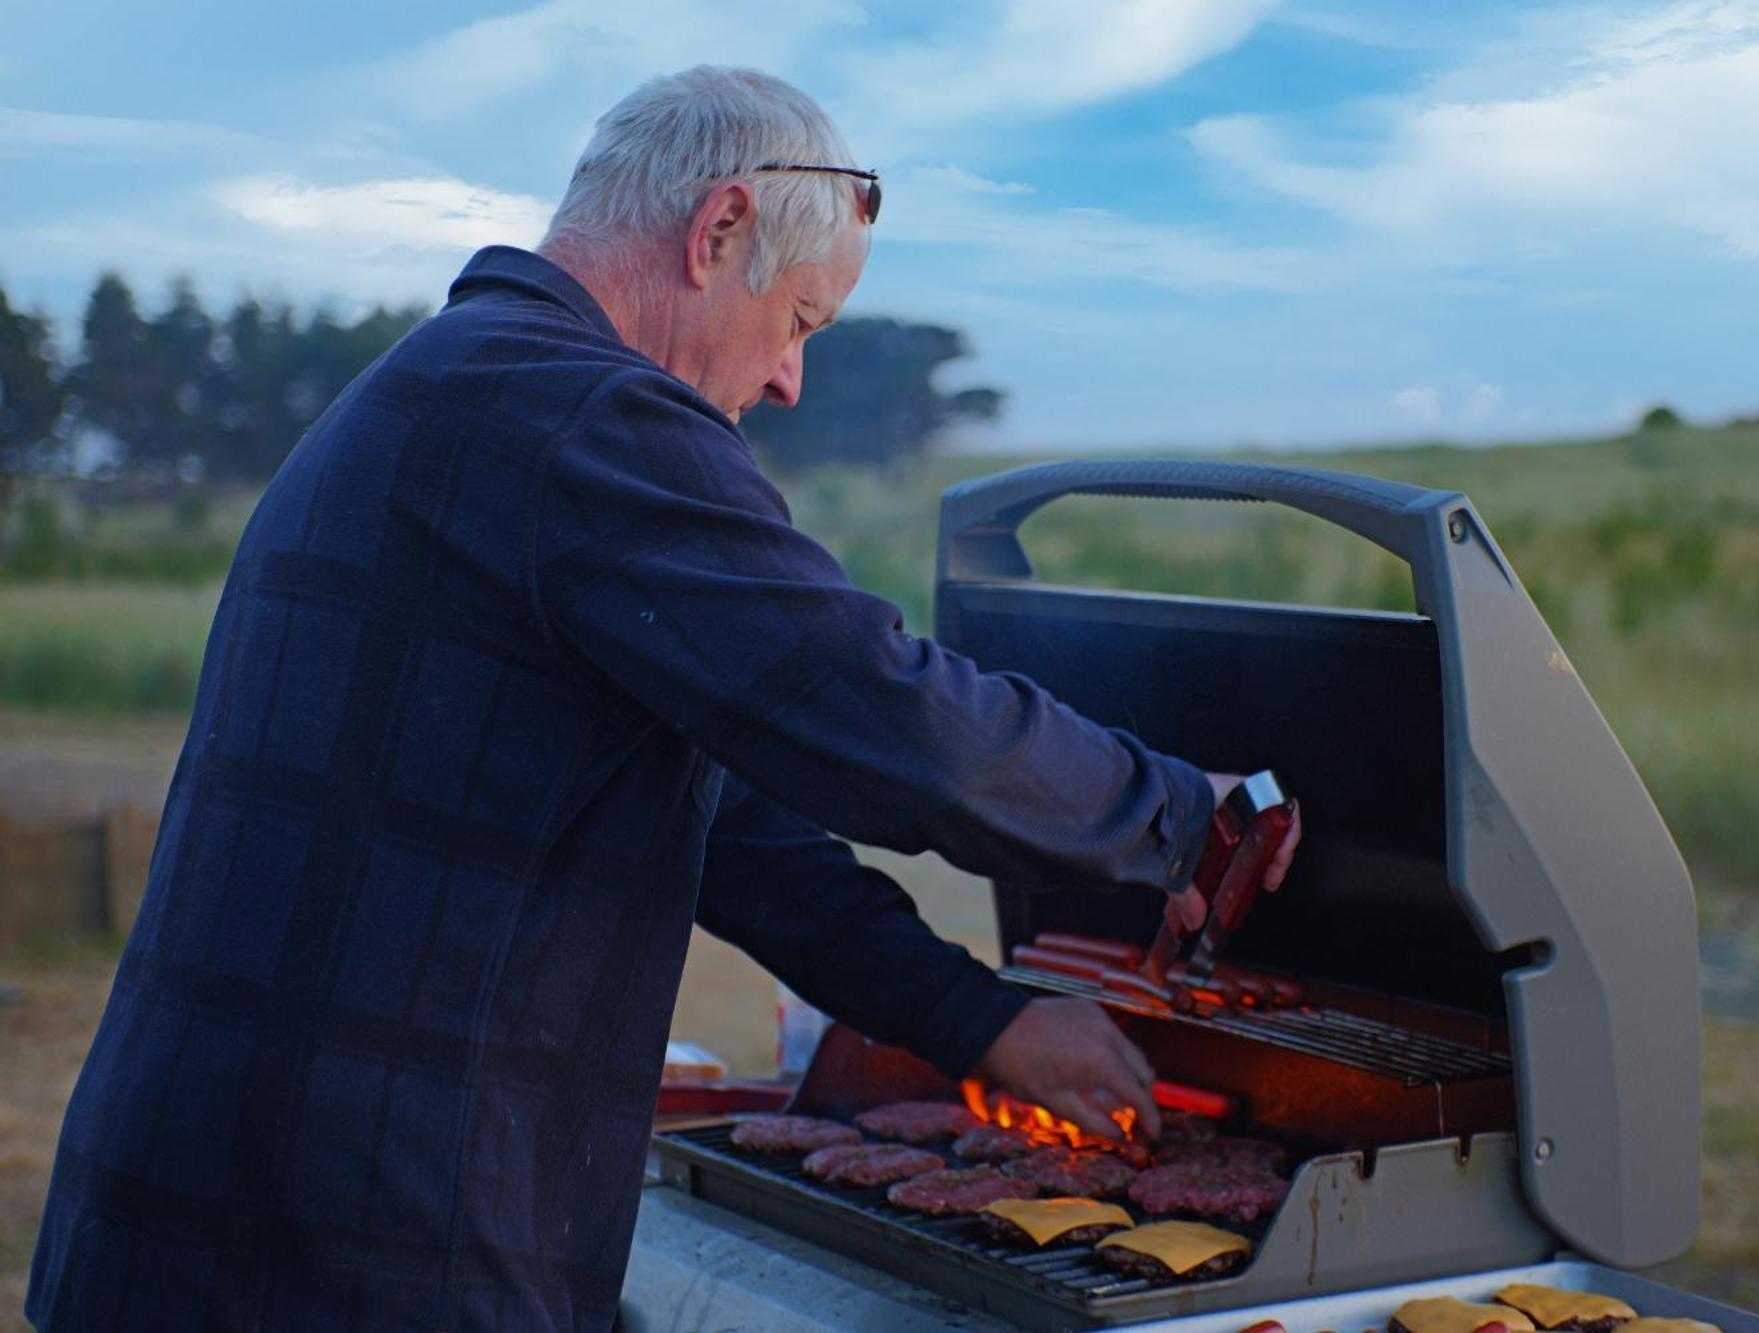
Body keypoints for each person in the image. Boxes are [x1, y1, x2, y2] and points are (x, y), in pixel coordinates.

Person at [27, 66, 1299, 1332]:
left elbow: (728, 827)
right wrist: (1185, 819)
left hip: (206, 1212)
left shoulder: (455, 389)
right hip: (351, 1246)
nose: (791, 379)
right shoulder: (583, 412)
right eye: (800, 319)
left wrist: (975, 1017)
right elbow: (884, 712)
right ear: (718, 231)